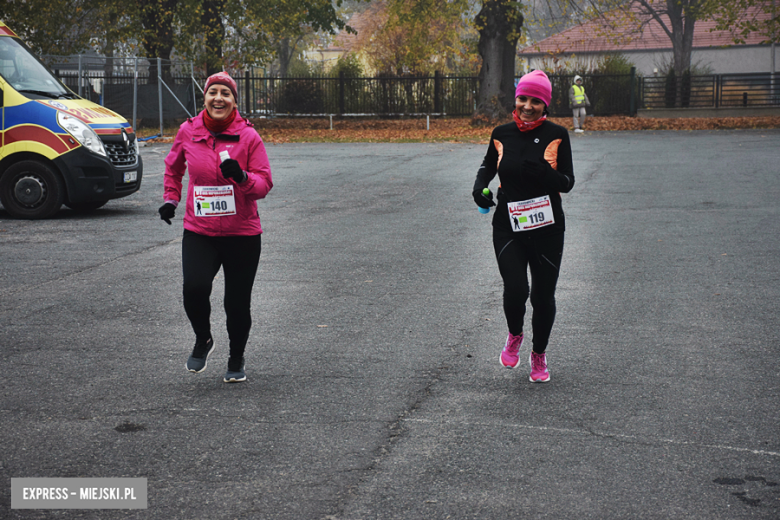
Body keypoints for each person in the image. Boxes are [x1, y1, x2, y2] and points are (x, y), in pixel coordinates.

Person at [158, 71, 273, 383]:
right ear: (205, 98)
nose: (218, 98)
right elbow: (174, 167)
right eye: (213, 92)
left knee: (236, 303)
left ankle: (236, 358)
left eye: (225, 93)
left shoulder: (248, 137)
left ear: (234, 101)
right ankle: (203, 338)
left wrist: (242, 177)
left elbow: (264, 184)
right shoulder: (188, 131)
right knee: (194, 288)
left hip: (242, 234)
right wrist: (171, 199)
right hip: (200, 230)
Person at [472, 70, 575, 383]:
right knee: (516, 289)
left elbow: (567, 183)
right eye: (523, 98)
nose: (527, 105)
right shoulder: (501, 133)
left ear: (545, 105)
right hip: (508, 224)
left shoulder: (558, 134)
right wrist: (479, 186)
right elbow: (489, 164)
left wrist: (545, 173)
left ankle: (539, 354)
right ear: (515, 99)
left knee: (543, 297)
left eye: (535, 100)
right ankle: (515, 334)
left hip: (547, 229)